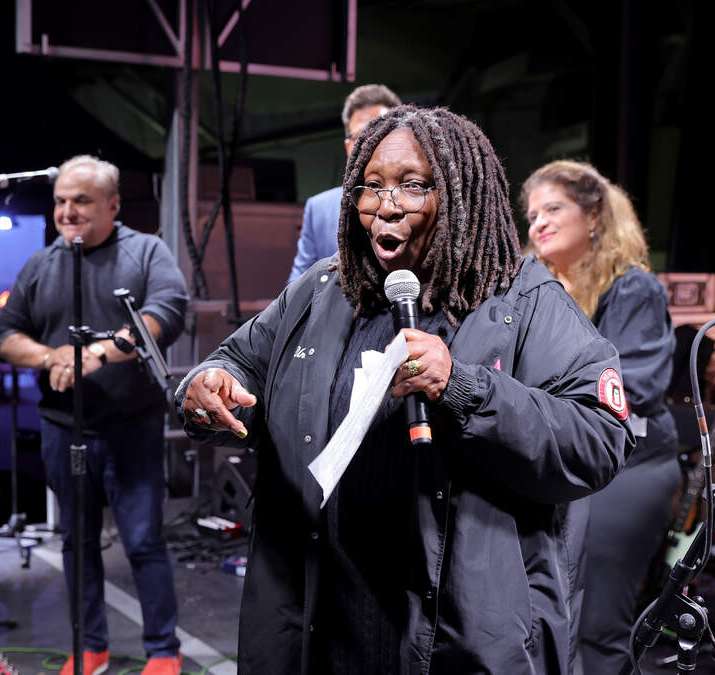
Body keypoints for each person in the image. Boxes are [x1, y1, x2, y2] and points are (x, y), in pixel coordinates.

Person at [177, 106, 633, 675]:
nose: (386, 205)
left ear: (462, 195)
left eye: (413, 186)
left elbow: (598, 439)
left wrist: (463, 387)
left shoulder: (526, 302)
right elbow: (238, 360)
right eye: (371, 186)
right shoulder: (323, 289)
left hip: (452, 635)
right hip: (321, 622)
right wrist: (209, 386)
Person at [0, 155, 188, 675]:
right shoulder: (42, 264)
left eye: (81, 201)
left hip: (132, 426)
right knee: (76, 543)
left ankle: (163, 651)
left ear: (112, 205)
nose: (67, 211)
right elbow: (5, 336)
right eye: (60, 201)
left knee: (143, 541)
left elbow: (166, 311)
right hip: (64, 428)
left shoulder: (145, 251)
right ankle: (91, 648)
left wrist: (97, 353)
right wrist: (50, 356)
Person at [521, 160, 679, 673]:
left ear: (593, 215)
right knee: (546, 623)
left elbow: (634, 387)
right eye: (532, 215)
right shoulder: (533, 291)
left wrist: (534, 395)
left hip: (629, 468)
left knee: (595, 629)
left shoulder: (634, 289)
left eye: (553, 209)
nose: (539, 223)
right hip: (561, 464)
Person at [287, 83, 401, 283]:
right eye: (361, 137)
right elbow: (297, 286)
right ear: (348, 147)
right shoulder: (318, 209)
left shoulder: (420, 200)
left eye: (381, 132)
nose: (370, 143)